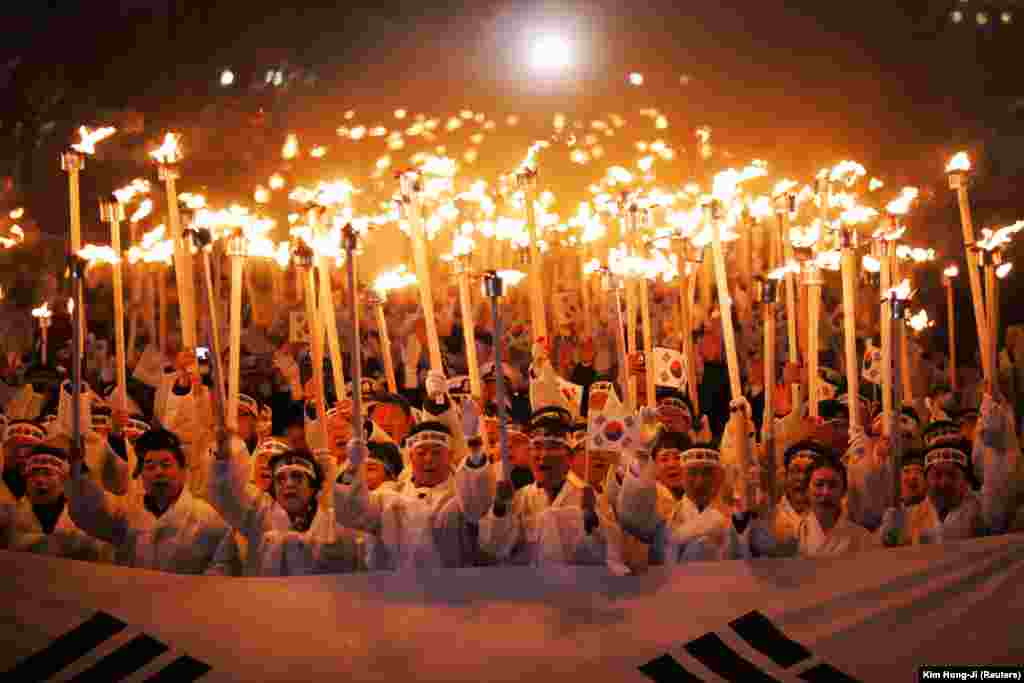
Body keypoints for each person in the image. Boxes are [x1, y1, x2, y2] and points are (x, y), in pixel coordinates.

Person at [334, 388, 495, 570]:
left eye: (436, 452)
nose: (428, 459)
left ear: (449, 456)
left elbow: (477, 504)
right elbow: (350, 513)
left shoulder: (459, 498)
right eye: (421, 452)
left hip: (453, 593)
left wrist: (473, 444)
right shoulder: (388, 499)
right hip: (399, 594)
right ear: (410, 457)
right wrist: (352, 467)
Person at [67, 429, 238, 575]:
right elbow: (91, 513)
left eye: (166, 465)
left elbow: (223, 567)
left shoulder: (208, 518)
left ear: (183, 471)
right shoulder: (127, 512)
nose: (158, 472)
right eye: (149, 466)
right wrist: (79, 470)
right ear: (141, 474)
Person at [207, 439, 362, 576]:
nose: (288, 484)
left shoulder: (336, 525)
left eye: (297, 476)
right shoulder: (258, 515)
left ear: (314, 487)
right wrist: (222, 456)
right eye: (280, 479)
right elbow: (225, 492)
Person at [478, 407, 609, 566]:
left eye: (553, 447)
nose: (544, 455)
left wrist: (591, 523)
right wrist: (499, 509)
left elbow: (607, 557)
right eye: (537, 446)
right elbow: (494, 547)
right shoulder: (521, 499)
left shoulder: (591, 498)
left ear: (569, 457)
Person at [1, 439, 112, 562]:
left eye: (48, 473)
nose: (39, 480)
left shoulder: (85, 517)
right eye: (34, 473)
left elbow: (104, 552)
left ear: (63, 480)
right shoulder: (8, 515)